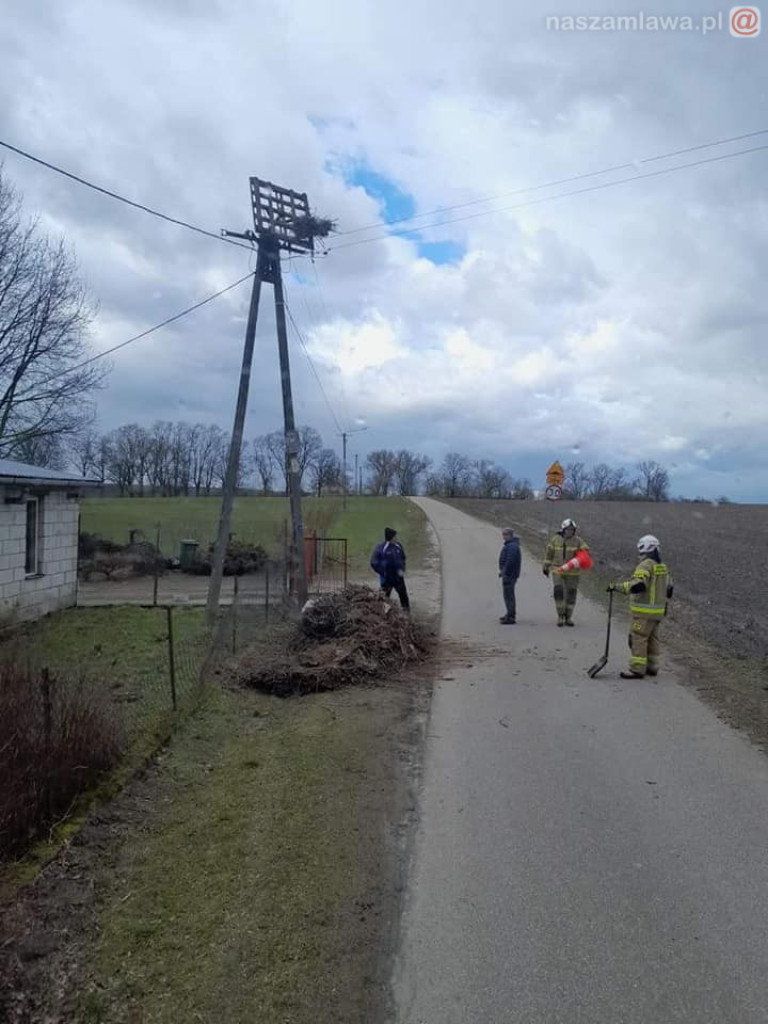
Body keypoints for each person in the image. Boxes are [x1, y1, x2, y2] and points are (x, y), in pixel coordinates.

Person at [608, 534, 673, 679]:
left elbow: (638, 585)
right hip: (658, 613)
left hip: (643, 612)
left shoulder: (645, 565)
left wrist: (616, 587)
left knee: (638, 638)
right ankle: (652, 667)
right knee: (653, 639)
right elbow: (670, 589)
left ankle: (637, 669)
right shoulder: (662, 567)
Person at [542, 518, 590, 627]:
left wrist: (583, 554)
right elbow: (548, 555)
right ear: (563, 529)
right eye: (568, 529)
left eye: (572, 530)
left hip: (573, 573)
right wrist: (546, 567)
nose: (570, 532)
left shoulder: (578, 541)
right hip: (558, 570)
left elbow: (585, 550)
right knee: (559, 591)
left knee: (571, 594)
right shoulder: (555, 540)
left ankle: (568, 617)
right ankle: (560, 616)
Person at [370, 527, 410, 611]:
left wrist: (402, 569)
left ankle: (406, 613)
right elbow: (374, 562)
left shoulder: (398, 546)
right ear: (391, 537)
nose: (396, 538)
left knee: (403, 596)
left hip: (398, 577)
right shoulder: (381, 548)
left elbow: (403, 558)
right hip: (387, 578)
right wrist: (383, 572)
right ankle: (385, 614)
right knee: (385, 598)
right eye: (395, 536)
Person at [498, 528, 521, 624]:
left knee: (509, 595)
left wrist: (505, 571)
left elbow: (510, 561)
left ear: (511, 535)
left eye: (506, 534)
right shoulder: (510, 545)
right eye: (503, 534)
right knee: (507, 595)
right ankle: (509, 613)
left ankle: (511, 616)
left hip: (510, 574)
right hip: (508, 574)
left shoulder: (512, 546)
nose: (504, 536)